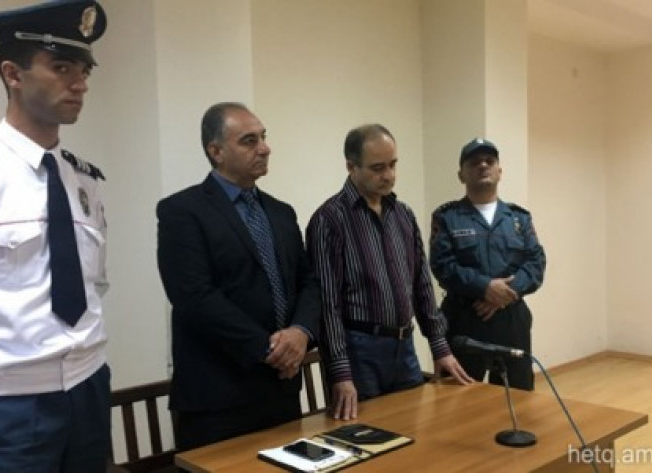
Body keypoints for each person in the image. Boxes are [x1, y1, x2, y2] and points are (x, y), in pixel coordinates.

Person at [0, 2, 110, 472]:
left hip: (88, 383)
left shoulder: (84, 181)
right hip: (6, 401)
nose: (80, 83)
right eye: (61, 67)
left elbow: (95, 283)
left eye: (84, 70)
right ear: (13, 74)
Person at [156, 102, 321, 450]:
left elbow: (308, 282)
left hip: (281, 389)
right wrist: (271, 349)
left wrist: (301, 333)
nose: (265, 148)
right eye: (249, 141)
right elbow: (194, 297)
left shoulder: (281, 212)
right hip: (218, 397)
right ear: (215, 151)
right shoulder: (182, 211)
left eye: (263, 137)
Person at [306, 124, 473, 421]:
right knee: (369, 436)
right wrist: (341, 373)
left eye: (393, 164)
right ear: (351, 166)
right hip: (359, 351)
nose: (389, 175)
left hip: (404, 346)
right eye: (378, 168)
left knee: (412, 430)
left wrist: (440, 346)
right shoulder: (329, 220)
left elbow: (422, 284)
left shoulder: (403, 214)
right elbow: (327, 305)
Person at [429, 138, 546, 391]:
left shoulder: (519, 218)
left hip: (511, 319)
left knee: (517, 395)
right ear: (461, 175)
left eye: (489, 161)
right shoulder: (447, 217)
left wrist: (503, 295)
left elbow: (535, 263)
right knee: (457, 398)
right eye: (474, 162)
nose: (483, 165)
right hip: (464, 319)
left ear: (499, 171)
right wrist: (485, 287)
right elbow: (442, 265)